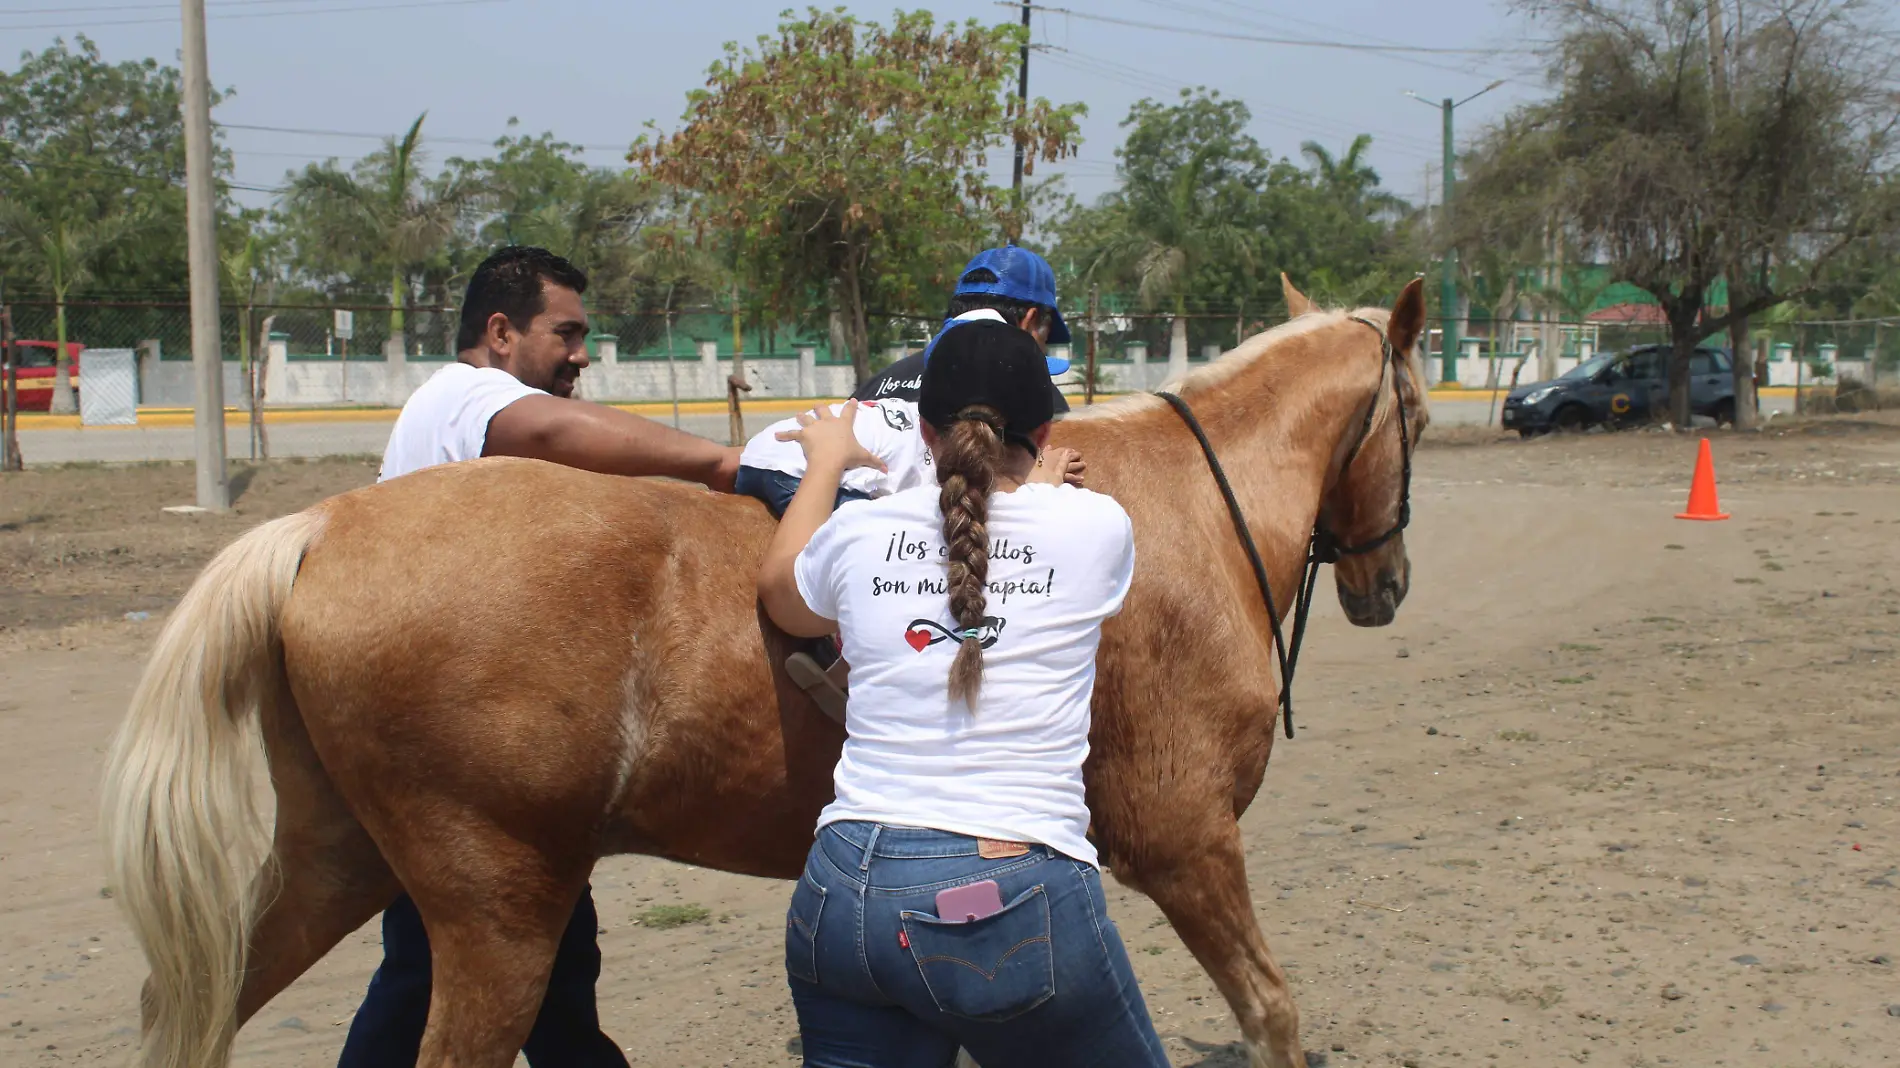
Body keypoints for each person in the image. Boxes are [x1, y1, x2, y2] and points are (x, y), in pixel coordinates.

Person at [341, 245, 740, 1068]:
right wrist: (720, 463)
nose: (581, 354)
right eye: (566, 333)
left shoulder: (458, 404)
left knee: (543, 965)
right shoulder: (464, 396)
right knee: (436, 970)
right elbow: (551, 429)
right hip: (462, 734)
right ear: (499, 331)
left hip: (477, 728)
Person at [755, 319, 1168, 1068]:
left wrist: (827, 463)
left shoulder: (859, 532)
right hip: (1003, 896)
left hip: (841, 888)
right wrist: (1043, 492)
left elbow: (784, 596)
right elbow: (1019, 544)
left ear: (921, 428)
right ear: (1046, 428)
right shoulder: (1096, 528)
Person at [852, 241, 1074, 411]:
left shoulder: (875, 387)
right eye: (1046, 334)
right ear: (1030, 320)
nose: (1043, 349)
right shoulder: (1034, 394)